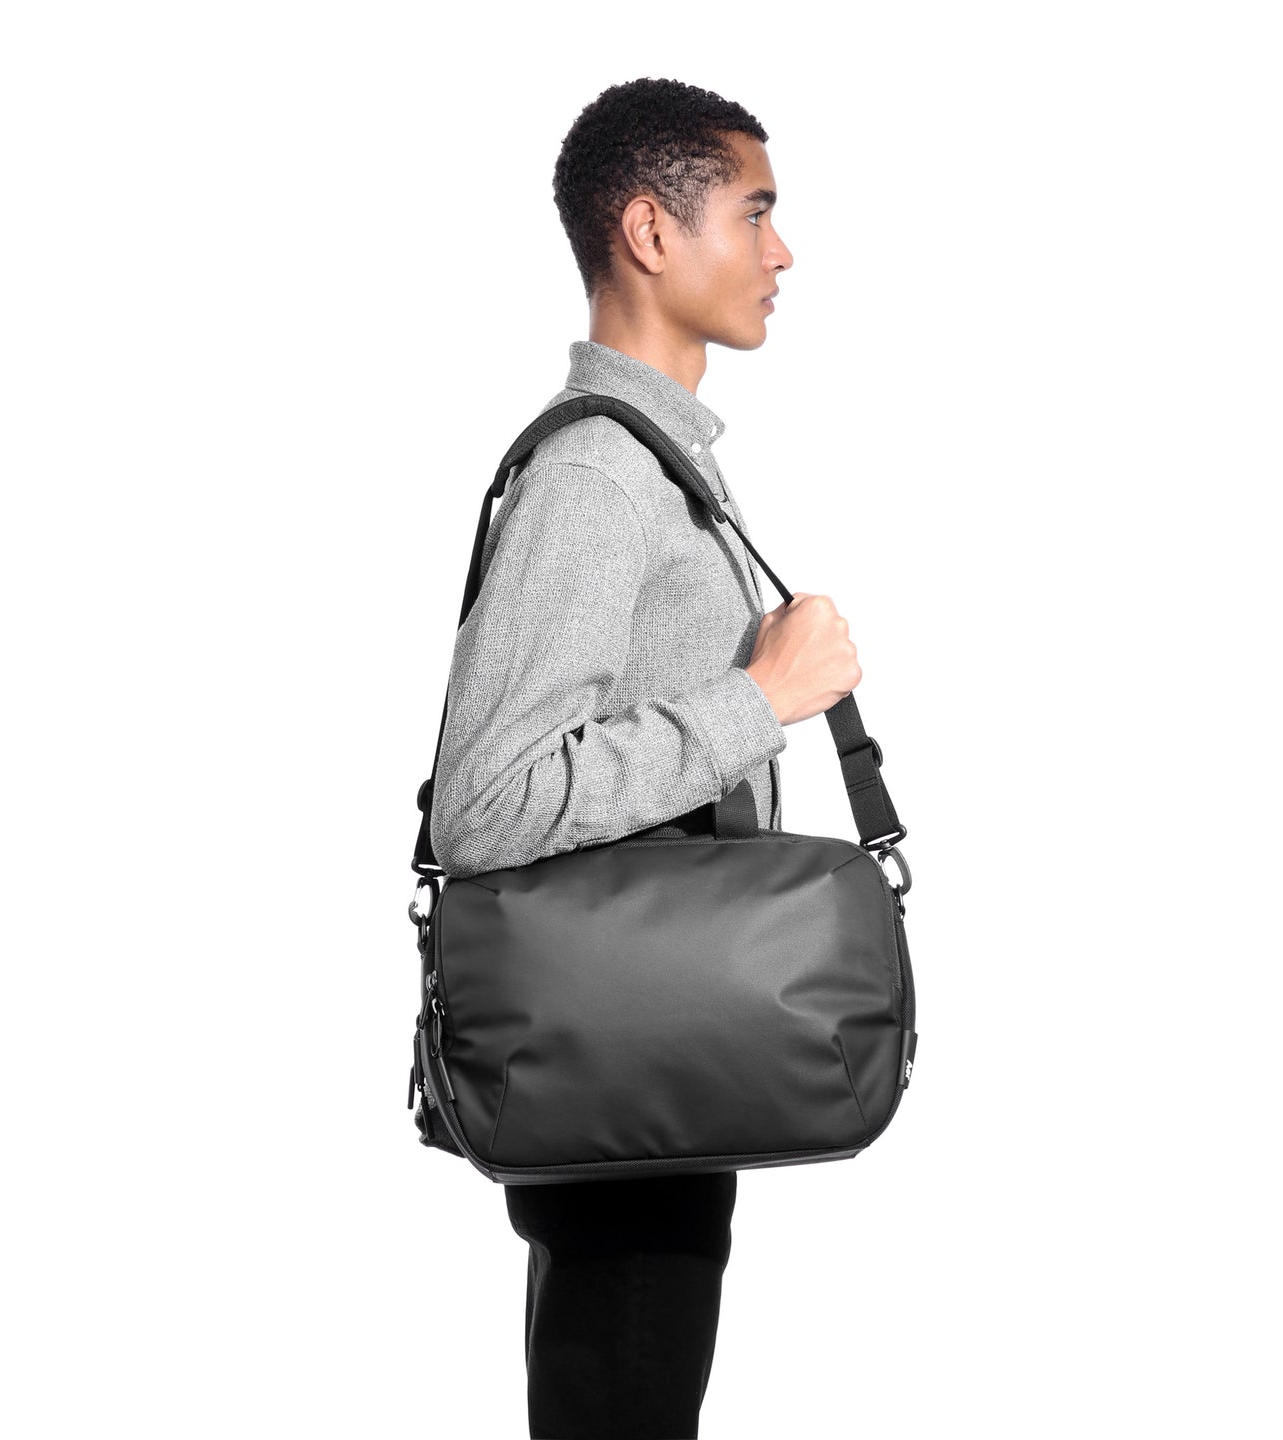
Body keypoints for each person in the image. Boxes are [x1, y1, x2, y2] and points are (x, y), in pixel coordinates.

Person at [428, 76, 863, 1440]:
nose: (784, 251)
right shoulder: (598, 478)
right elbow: (487, 802)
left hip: (651, 1039)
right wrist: (760, 699)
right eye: (756, 212)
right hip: (624, 1046)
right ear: (652, 232)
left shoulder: (654, 463)